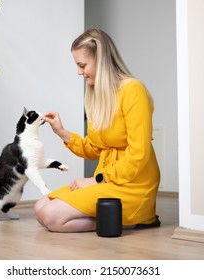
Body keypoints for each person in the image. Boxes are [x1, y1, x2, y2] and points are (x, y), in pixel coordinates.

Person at [34, 27, 160, 233]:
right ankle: (113, 217)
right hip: (107, 180)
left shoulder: (133, 90)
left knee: (52, 216)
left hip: (133, 184)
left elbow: (139, 153)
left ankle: (139, 217)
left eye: (82, 65)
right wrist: (61, 131)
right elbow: (94, 149)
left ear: (101, 60)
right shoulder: (97, 95)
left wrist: (96, 180)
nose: (78, 72)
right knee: (40, 209)